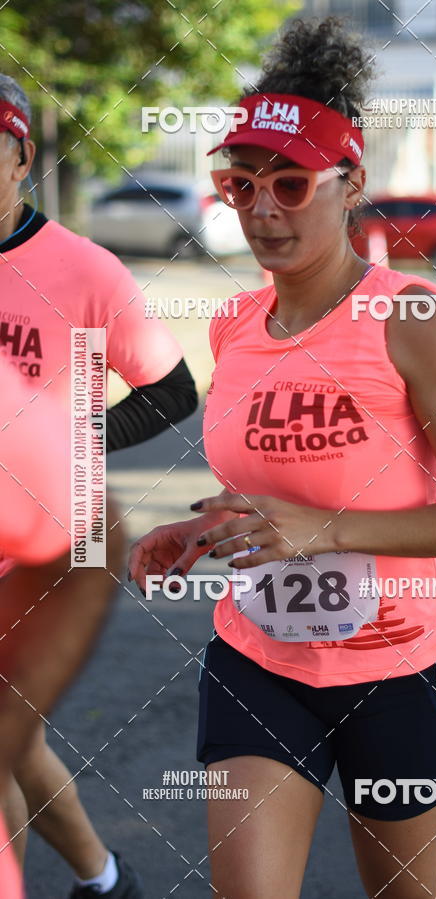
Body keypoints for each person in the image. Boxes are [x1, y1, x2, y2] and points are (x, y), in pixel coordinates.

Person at [128, 17, 436, 899]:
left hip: (403, 664)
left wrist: (322, 530)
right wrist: (206, 526)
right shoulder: (234, 324)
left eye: (291, 184)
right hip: (260, 658)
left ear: (351, 182)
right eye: (240, 184)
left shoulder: (414, 319)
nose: (262, 209)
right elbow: (264, 487)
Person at [0, 72, 199, 897]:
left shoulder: (83, 269)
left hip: (44, 543)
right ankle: (105, 878)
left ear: (19, 157)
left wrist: (70, 447)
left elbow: (173, 391)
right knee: (11, 740)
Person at [0, 358, 126, 898]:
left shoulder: (87, 272)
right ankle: (105, 880)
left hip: (23, 545)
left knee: (18, 751)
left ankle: (104, 879)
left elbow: (95, 519)